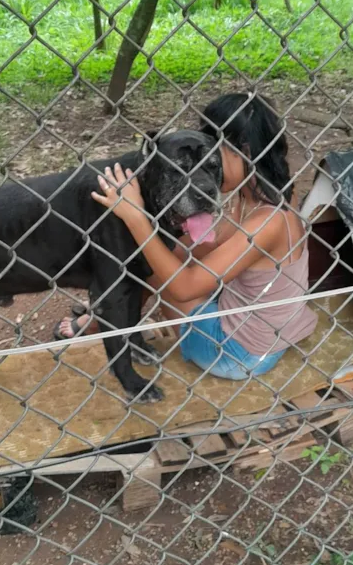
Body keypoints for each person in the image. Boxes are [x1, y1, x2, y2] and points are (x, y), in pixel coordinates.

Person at [54, 92, 318, 380]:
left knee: (149, 264)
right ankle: (104, 311)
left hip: (235, 354)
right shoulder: (265, 194)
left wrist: (136, 217)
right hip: (268, 333)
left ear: (242, 151)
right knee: (160, 255)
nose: (203, 166)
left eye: (210, 154)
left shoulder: (269, 221)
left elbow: (183, 287)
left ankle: (98, 320)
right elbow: (204, 246)